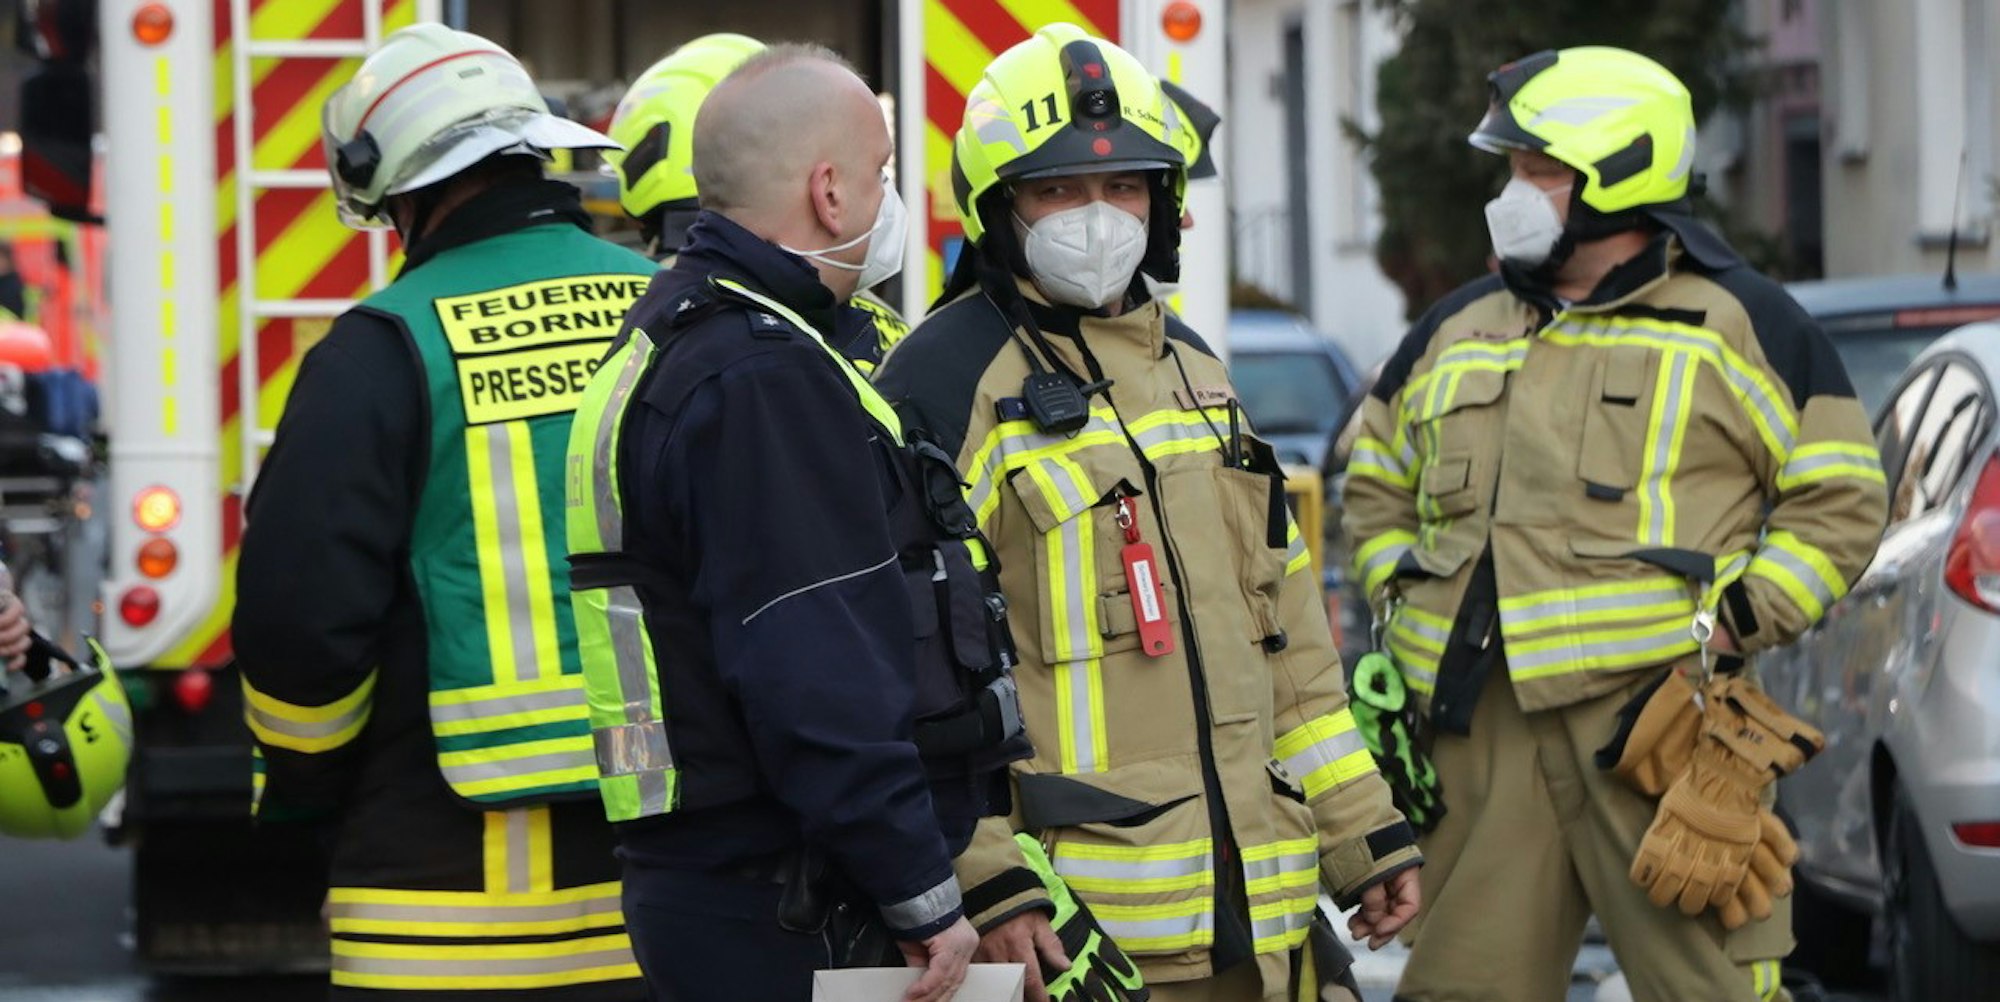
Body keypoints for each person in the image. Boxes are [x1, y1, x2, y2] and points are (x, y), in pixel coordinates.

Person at [874, 23, 1423, 1002]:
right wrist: (986, 877)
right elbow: (899, 670)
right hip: (1072, 937)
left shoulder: (1195, 371)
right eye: (1057, 191)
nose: (1098, 218)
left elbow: (1285, 638)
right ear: (999, 209)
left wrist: (1361, 834)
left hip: (1256, 918)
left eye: (1122, 187)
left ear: (1160, 203)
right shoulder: (941, 382)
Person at [1340, 47, 1888, 1002]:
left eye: (1539, 171)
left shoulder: (1737, 322)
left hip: (1660, 731)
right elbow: (1374, 480)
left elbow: (1841, 497)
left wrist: (1737, 621)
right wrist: (1401, 592)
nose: (1512, 193)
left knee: (1709, 990)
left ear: (1617, 176)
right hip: (1479, 733)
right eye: (1512, 170)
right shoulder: (1457, 327)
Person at [562, 44, 1033, 1002]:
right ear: (829, 192)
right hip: (794, 903)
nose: (884, 200)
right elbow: (813, 670)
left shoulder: (680, 333)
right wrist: (922, 893)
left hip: (720, 884)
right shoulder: (762, 376)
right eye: (880, 177)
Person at [233, 23, 655, 1000]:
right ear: (531, 153)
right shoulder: (675, 308)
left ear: (400, 194)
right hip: (684, 901)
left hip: (445, 916)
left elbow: (300, 622)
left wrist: (305, 782)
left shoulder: (376, 352)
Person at [604, 32, 910, 368]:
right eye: (877, 169)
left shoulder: (640, 320)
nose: (884, 193)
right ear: (828, 192)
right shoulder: (882, 326)